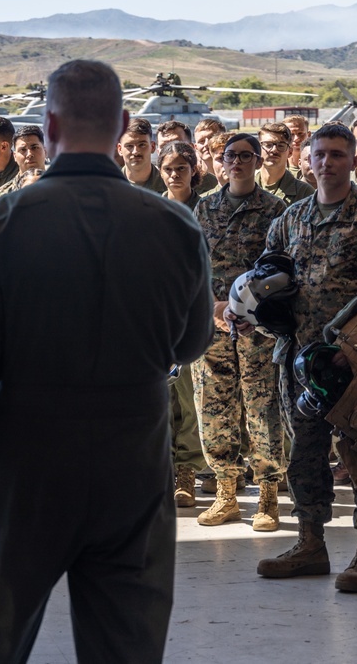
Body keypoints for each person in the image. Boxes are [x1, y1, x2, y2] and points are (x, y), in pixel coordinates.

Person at [0, 59, 213, 663]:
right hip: (134, 464)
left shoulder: (2, 224)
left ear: (50, 123)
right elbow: (191, 344)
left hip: (27, 463)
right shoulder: (176, 226)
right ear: (125, 124)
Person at [253, 123, 357, 595]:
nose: (328, 163)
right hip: (300, 359)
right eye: (321, 154)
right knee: (306, 454)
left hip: (354, 364)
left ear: (353, 158)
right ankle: (310, 543)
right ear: (307, 158)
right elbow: (267, 277)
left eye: (338, 154)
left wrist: (353, 346)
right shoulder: (289, 220)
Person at [193, 134, 287, 531]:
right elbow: (190, 266)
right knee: (214, 409)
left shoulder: (276, 211)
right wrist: (213, 307)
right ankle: (226, 495)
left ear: (257, 161)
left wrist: (257, 312)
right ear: (221, 161)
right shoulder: (205, 207)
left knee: (262, 409)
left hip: (258, 329)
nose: (237, 163)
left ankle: (267, 497)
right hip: (214, 327)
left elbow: (285, 271)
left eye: (245, 156)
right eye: (230, 156)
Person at [157, 142, 208, 507]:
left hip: (190, 312)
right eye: (168, 168)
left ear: (193, 169)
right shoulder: (148, 209)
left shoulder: (207, 208)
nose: (175, 175)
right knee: (158, 398)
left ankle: (187, 471)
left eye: (181, 168)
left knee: (188, 399)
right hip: (154, 315)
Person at [256, 122, 314, 207]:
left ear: (290, 151)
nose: (274, 150)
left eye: (281, 146)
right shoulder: (245, 188)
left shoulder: (304, 193)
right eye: (268, 145)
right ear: (258, 149)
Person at [0, 125, 48, 202]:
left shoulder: (61, 190)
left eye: (34, 148)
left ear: (45, 152)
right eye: (23, 150)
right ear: (15, 156)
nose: (29, 154)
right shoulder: (0, 198)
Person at [118, 118, 166, 193]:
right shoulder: (109, 186)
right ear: (120, 149)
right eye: (129, 146)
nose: (135, 152)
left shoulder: (169, 185)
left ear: (152, 147)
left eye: (142, 145)